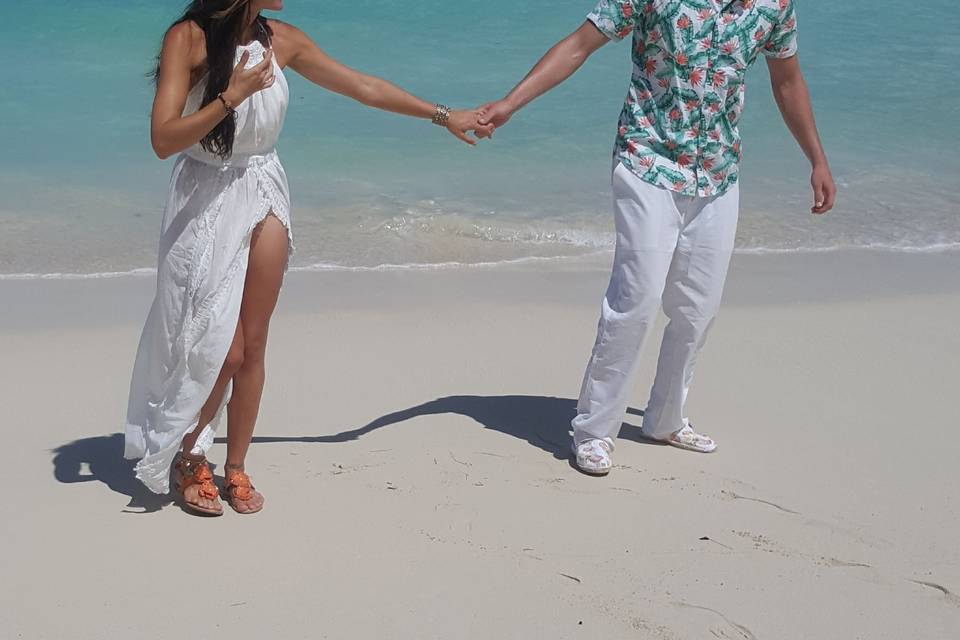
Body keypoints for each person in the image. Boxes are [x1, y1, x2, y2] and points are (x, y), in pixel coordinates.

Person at [125, 0, 491, 515]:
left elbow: (361, 86)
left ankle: (235, 466)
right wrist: (231, 96)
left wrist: (443, 114)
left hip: (264, 184)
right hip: (206, 196)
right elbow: (164, 138)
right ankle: (188, 454)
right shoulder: (187, 39)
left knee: (252, 345)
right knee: (220, 348)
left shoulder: (283, 39)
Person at [478, 0, 836, 475]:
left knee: (698, 308)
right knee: (637, 299)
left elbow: (787, 80)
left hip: (717, 173)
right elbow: (579, 46)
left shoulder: (773, 7)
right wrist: (508, 104)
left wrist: (817, 159)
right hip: (646, 160)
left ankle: (664, 420)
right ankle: (593, 430)